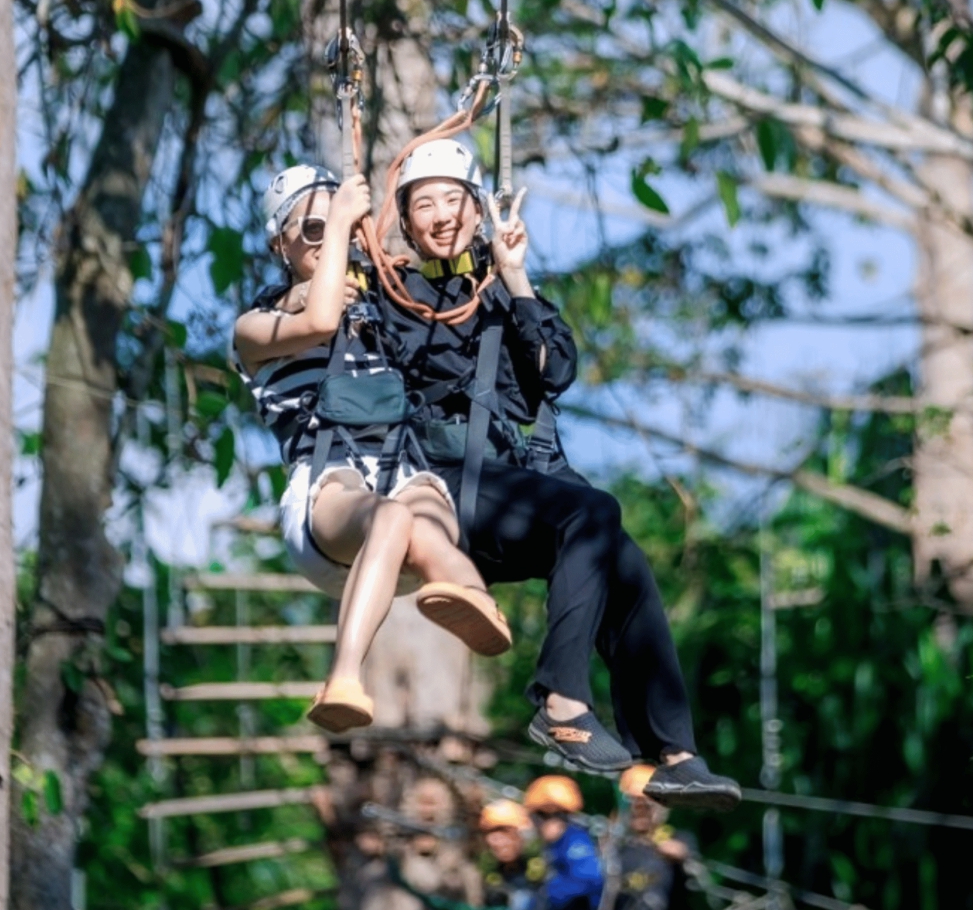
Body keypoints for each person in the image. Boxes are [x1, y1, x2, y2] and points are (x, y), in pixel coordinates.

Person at [373, 139, 740, 811]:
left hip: (522, 487)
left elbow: (557, 371)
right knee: (593, 511)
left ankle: (673, 752)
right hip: (452, 491)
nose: (441, 214)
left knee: (623, 558)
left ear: (478, 209)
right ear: (405, 219)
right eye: (424, 203)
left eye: (453, 198)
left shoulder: (504, 294)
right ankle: (561, 696)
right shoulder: (389, 295)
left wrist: (515, 276)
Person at [235, 164, 511, 733]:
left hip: (401, 465)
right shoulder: (254, 327)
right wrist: (339, 224)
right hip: (328, 487)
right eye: (310, 230)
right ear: (278, 244)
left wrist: (499, 256)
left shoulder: (385, 302)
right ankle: (343, 676)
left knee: (427, 518)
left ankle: (473, 598)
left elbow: (455, 303)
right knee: (390, 517)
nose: (325, 236)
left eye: (337, 226)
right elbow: (318, 316)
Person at [611, 766, 694, 910]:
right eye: (634, 805)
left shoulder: (679, 839)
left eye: (647, 806)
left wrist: (680, 855)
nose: (640, 811)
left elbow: (692, 864)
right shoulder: (614, 843)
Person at [524, 775, 603, 910]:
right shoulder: (555, 845)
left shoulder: (575, 841)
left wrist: (548, 895)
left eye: (556, 815)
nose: (540, 823)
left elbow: (589, 879)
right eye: (539, 816)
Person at [479, 799, 544, 910]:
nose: (497, 841)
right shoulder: (481, 873)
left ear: (523, 837)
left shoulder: (546, 877)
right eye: (491, 833)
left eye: (505, 832)